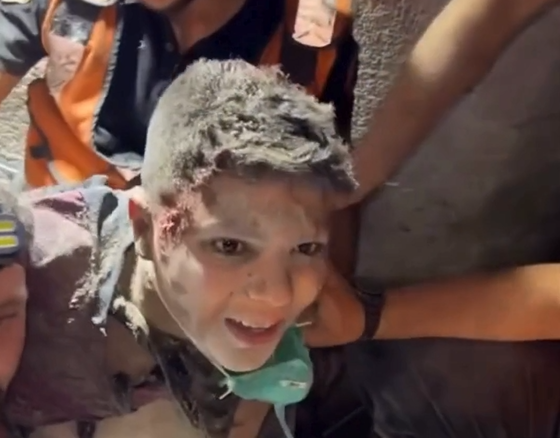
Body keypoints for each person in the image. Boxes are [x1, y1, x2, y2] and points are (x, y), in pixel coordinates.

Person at [1, 59, 560, 438]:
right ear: (146, 229)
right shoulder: (27, 263)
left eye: (305, 247)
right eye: (229, 245)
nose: (275, 294)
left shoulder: (278, 324)